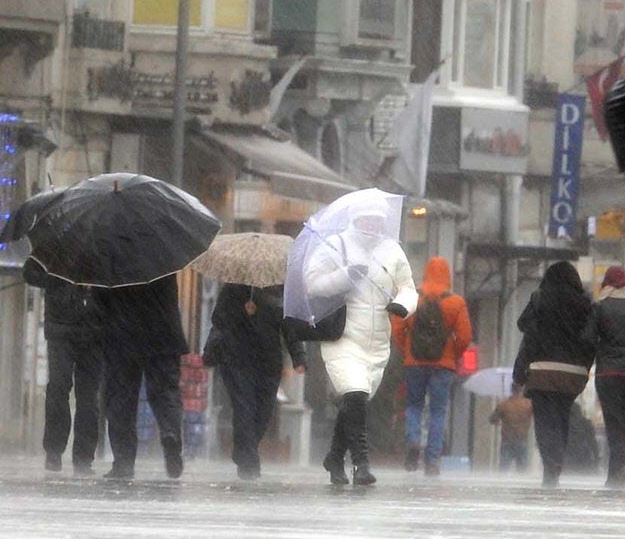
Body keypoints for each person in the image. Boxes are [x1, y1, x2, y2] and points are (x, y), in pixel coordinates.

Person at [306, 197, 417, 486]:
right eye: (366, 219)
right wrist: (345, 276)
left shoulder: (392, 250)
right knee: (354, 393)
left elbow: (408, 287)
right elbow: (313, 283)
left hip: (377, 341)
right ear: (355, 219)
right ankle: (361, 463)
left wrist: (402, 305)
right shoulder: (335, 245)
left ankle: (334, 457)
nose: (371, 225)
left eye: (377, 220)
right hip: (342, 337)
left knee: (357, 400)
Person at [202, 283, 306, 480]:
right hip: (236, 358)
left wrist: (298, 357)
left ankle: (243, 448)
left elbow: (290, 326)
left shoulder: (282, 290)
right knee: (244, 408)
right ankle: (249, 461)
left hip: (268, 361)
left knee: (264, 411)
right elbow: (219, 322)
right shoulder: (232, 288)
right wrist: (210, 353)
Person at [512, 261, 595, 488]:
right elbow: (591, 340)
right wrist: (584, 369)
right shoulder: (585, 304)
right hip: (572, 374)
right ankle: (557, 459)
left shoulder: (540, 298)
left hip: (542, 371)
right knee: (562, 416)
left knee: (544, 420)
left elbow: (524, 328)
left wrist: (520, 371)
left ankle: (551, 463)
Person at [96, 275, 188, 480]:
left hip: (123, 335)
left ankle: (123, 460)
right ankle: (170, 433)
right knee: (165, 392)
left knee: (120, 398)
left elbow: (100, 299)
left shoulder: (114, 256)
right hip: (163, 333)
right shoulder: (164, 253)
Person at [391, 256, 472, 476]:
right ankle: (432, 460)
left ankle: (413, 442)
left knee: (414, 406)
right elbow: (465, 336)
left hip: (414, 362)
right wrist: (452, 354)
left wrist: (407, 350)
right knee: (438, 411)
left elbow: (397, 328)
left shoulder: (411, 298)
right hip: (443, 365)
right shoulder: (455, 302)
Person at [23, 259, 105, 476]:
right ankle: (54, 450)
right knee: (59, 388)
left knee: (89, 396)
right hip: (61, 328)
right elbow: (31, 273)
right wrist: (57, 276)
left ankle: (84, 457)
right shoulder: (57, 241)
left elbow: (119, 284)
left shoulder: (106, 244)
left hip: (95, 331)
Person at [583, 265, 625, 488]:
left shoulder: (601, 306)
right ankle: (614, 476)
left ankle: (621, 464)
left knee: (614, 422)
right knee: (623, 421)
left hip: (609, 373)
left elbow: (588, 337)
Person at [490, 384, 533, 472]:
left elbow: (492, 419)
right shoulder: (528, 405)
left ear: (511, 390)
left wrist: (499, 420)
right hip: (522, 440)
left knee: (503, 469)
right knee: (522, 471)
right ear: (522, 390)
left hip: (507, 441)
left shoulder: (503, 404)